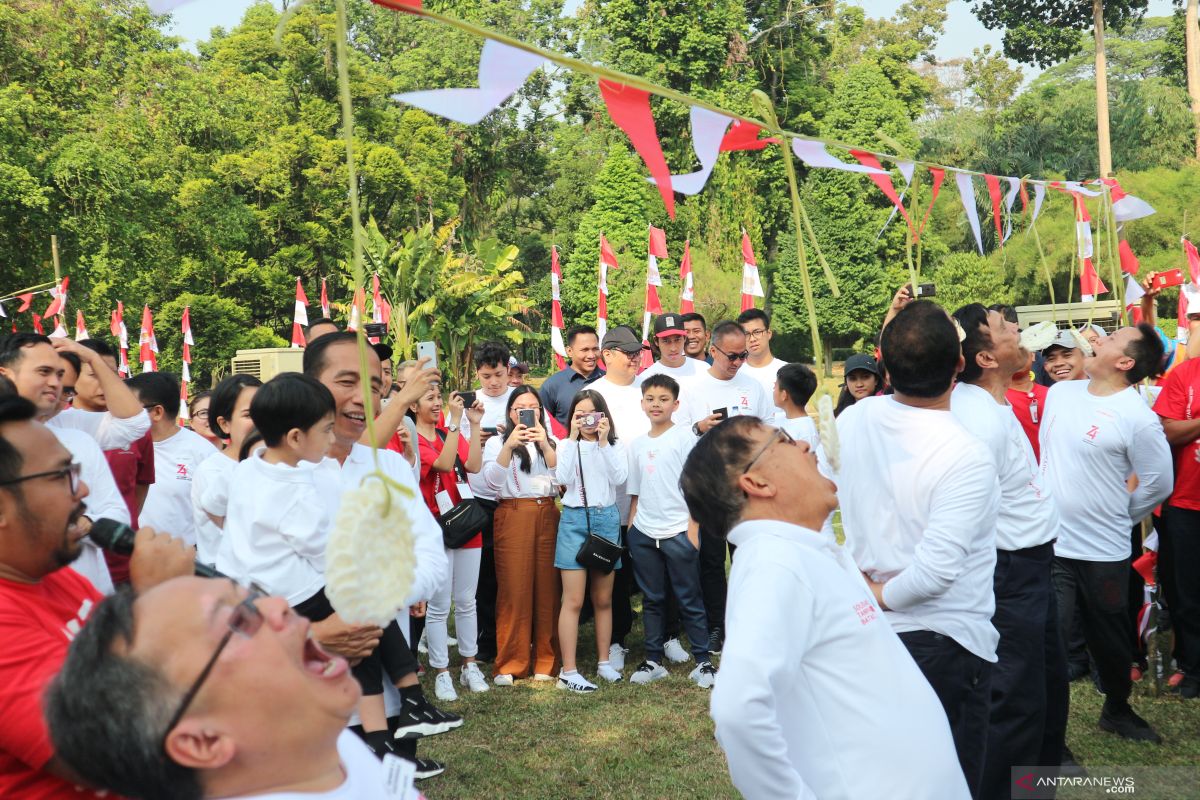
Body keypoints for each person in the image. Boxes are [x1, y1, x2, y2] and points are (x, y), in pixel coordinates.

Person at [682, 415, 969, 800]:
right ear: (757, 483)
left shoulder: (801, 553)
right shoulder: (776, 563)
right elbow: (737, 711)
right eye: (782, 439)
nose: (803, 445)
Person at [46, 578, 422, 800]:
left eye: (252, 597)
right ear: (204, 741)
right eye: (237, 621)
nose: (277, 606)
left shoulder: (312, 744)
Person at [837, 301, 1000, 795]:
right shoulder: (966, 453)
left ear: (882, 362)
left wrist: (857, 589)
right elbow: (933, 575)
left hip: (873, 633)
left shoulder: (854, 421)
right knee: (945, 780)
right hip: (942, 641)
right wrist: (875, 595)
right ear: (959, 364)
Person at [0, 393, 194, 799]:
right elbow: (117, 754)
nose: (83, 489)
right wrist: (160, 605)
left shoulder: (55, 577)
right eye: (62, 476)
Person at [303, 332, 454, 778]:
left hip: (390, 689)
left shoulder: (387, 467)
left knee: (395, 784)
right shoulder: (275, 471)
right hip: (309, 690)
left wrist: (382, 595)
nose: (361, 396)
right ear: (310, 384)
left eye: (373, 384)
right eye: (346, 381)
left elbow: (429, 554)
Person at [950, 304, 1066, 798]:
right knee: (1015, 698)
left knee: (1046, 689)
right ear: (985, 357)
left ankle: (1037, 786)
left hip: (1035, 564)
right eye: (1004, 328)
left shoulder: (999, 403)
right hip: (1008, 570)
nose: (1017, 330)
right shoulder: (973, 415)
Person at [1040, 323, 1173, 742]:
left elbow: (1158, 483)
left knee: (1110, 636)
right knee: (1053, 637)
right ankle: (1049, 734)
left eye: (1110, 339)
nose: (1096, 340)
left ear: (1125, 362)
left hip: (1104, 550)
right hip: (1052, 543)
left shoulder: (1137, 417)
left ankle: (1116, 708)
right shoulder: (1061, 394)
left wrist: (1119, 515)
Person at [0, 334, 133, 593]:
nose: (54, 384)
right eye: (44, 371)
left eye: (60, 376)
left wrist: (88, 523)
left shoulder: (79, 437)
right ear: (5, 374)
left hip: (90, 597)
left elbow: (134, 424)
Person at [683, 320, 774, 654]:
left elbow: (770, 431)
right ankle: (716, 626)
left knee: (747, 558)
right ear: (713, 350)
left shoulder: (755, 387)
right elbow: (679, 437)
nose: (737, 363)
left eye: (743, 356)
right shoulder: (694, 389)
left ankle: (749, 622)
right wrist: (699, 427)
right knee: (710, 561)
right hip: (709, 488)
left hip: (748, 491)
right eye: (731, 356)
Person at [626, 375, 714, 687]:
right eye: (650, 399)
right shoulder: (636, 445)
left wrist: (693, 531)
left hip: (679, 531)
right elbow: (635, 491)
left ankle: (703, 662)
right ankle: (653, 660)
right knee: (652, 598)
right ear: (642, 404)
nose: (656, 404)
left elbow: (696, 488)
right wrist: (633, 528)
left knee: (689, 596)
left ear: (675, 404)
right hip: (645, 533)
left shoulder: (683, 439)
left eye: (664, 399)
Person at [410, 386, 490, 701]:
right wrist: (455, 422)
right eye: (429, 399)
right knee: (440, 605)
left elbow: (473, 466)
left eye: (437, 397)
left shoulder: (447, 432)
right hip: (437, 528)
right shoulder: (415, 439)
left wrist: (473, 423)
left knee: (467, 600)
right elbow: (443, 465)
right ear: (414, 406)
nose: (436, 403)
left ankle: (470, 665)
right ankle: (442, 670)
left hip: (467, 523)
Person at [481, 386, 560, 685]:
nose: (527, 412)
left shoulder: (552, 442)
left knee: (547, 589)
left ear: (540, 411)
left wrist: (547, 447)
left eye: (533, 407)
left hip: (548, 512)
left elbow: (562, 480)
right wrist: (508, 446)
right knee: (514, 589)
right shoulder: (498, 442)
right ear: (511, 413)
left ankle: (546, 660)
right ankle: (511, 662)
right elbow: (491, 484)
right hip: (512, 512)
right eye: (520, 408)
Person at [63, 338, 156, 585]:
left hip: (121, 553)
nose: (105, 382)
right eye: (94, 374)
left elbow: (139, 488)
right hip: (74, 560)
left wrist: (115, 524)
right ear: (71, 378)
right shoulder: (58, 425)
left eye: (112, 374)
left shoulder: (136, 431)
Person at [554, 389, 627, 692]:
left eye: (593, 414)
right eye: (580, 414)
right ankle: (568, 671)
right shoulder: (566, 445)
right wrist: (572, 438)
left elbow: (620, 477)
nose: (587, 420)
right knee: (573, 599)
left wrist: (603, 442)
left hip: (606, 519)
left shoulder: (614, 445)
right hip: (574, 520)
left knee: (603, 599)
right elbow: (563, 478)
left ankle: (604, 662)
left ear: (603, 416)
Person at [586, 325, 650, 669]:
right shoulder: (592, 396)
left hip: (648, 502)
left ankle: (662, 637)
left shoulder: (648, 391)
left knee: (653, 572)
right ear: (607, 355)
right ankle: (616, 640)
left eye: (638, 353)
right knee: (616, 575)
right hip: (609, 505)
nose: (636, 359)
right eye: (629, 354)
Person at [1152, 348, 1200, 698]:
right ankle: (1193, 666)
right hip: (1186, 501)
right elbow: (1168, 430)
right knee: (1187, 591)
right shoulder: (1185, 374)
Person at [126, 372, 218, 548]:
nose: (122, 412)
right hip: (132, 558)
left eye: (130, 406)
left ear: (157, 412)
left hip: (184, 560)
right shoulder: (120, 446)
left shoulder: (202, 453)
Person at [191, 374, 262, 567]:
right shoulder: (212, 472)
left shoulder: (280, 462)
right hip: (228, 581)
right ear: (225, 423)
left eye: (265, 411)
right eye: (248, 415)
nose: (260, 421)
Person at [539, 325, 604, 428]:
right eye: (585, 350)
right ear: (569, 351)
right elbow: (542, 423)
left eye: (595, 349)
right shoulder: (552, 386)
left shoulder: (608, 379)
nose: (591, 355)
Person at [636, 312, 702, 394]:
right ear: (656, 341)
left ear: (685, 338)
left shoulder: (703, 369)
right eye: (666, 341)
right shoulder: (645, 378)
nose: (673, 348)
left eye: (677, 340)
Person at [736, 308, 787, 402]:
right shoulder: (735, 373)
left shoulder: (787, 372)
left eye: (757, 332)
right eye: (746, 334)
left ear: (769, 334)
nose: (752, 339)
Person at [1007, 348, 1048, 461]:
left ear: (1033, 355)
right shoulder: (996, 399)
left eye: (1021, 351)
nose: (1016, 357)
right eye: (1010, 353)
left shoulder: (1052, 394)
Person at [773, 362, 823, 455]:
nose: (773, 390)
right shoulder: (780, 419)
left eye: (775, 386)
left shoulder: (807, 434)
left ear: (784, 395)